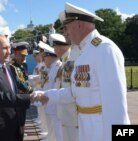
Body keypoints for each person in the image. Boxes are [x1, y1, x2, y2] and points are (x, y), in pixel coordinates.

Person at [35, 3, 130, 141]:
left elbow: (117, 105)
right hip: (86, 127)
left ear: (78, 25)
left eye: (66, 28)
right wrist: (47, 95)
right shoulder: (83, 52)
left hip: (102, 131)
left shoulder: (104, 48)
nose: (65, 33)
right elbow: (75, 92)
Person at [51, 33, 81, 141]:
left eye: (55, 47)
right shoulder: (65, 61)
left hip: (72, 114)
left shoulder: (71, 60)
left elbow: (72, 88)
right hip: (66, 112)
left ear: (60, 47)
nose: (54, 51)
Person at [39, 41, 63, 141]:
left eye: (45, 58)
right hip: (51, 105)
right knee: (53, 130)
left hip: (57, 107)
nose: (43, 61)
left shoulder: (59, 68)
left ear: (50, 57)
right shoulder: (52, 68)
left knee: (59, 133)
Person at [9, 41, 33, 139]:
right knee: (17, 120)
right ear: (15, 54)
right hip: (18, 97)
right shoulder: (12, 67)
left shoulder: (24, 65)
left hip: (24, 97)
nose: (24, 58)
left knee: (23, 119)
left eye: (25, 55)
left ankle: (21, 135)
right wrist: (31, 90)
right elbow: (18, 82)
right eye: (22, 55)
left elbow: (26, 79)